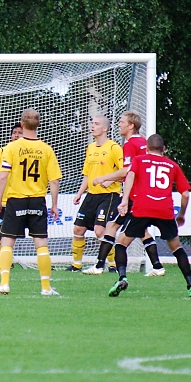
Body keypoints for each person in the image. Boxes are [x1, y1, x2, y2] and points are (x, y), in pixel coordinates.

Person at [108, 134, 191, 298]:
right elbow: (185, 194)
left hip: (142, 208)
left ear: (147, 148)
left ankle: (122, 278)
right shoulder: (172, 165)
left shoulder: (139, 160)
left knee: (121, 243)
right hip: (164, 210)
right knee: (177, 248)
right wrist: (181, 215)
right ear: (164, 149)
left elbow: (130, 175)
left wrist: (125, 200)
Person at [84, 111, 163, 276]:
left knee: (111, 226)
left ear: (131, 125)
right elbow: (135, 171)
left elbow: (127, 170)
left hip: (134, 194)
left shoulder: (130, 144)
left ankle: (99, 266)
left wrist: (104, 178)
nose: (119, 124)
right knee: (141, 230)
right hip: (145, 193)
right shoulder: (144, 143)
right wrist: (115, 179)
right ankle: (157, 266)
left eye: (122, 122)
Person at [0, 109, 62, 296]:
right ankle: (46, 287)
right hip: (37, 201)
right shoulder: (46, 149)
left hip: (16, 200)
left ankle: (4, 284)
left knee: (7, 242)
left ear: (22, 125)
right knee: (41, 244)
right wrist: (54, 205)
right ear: (38, 124)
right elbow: (54, 180)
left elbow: (3, 175)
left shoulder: (12, 148)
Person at [66, 116, 123, 272]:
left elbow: (124, 171)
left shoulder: (114, 148)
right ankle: (76, 264)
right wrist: (79, 193)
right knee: (78, 229)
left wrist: (110, 180)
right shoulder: (90, 148)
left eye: (96, 124)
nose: (93, 126)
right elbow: (87, 174)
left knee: (100, 230)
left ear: (105, 128)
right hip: (91, 195)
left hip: (109, 195)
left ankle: (113, 264)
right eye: (92, 123)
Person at [0, 123, 24, 268]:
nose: (16, 135)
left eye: (20, 133)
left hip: (18, 200)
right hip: (2, 200)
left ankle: (7, 258)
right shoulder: (0, 152)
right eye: (14, 132)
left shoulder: (27, 155)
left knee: (11, 234)